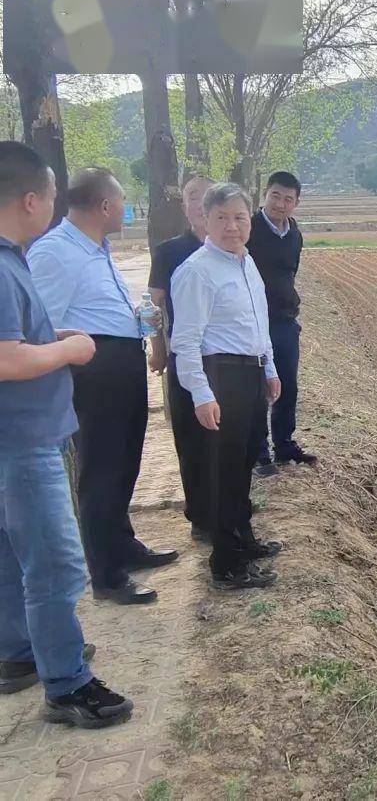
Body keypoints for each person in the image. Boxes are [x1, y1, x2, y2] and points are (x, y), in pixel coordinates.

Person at [0, 141, 133, 727]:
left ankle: (21, 653)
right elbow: (6, 358)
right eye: (52, 194)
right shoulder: (5, 267)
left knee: (13, 554)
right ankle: (67, 683)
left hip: (18, 432)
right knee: (56, 563)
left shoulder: (13, 259)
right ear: (31, 200)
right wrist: (72, 347)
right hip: (24, 437)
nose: (56, 203)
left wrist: (51, 334)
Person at [28, 168, 177, 606]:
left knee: (126, 459)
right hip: (94, 371)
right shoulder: (55, 253)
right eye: (122, 199)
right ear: (106, 206)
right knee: (101, 468)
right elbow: (42, 324)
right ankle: (107, 575)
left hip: (120, 361)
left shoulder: (97, 248)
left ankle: (122, 544)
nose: (126, 207)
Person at [171, 182, 284, 589]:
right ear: (205, 220)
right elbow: (184, 341)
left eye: (239, 217)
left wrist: (269, 368)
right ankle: (226, 564)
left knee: (241, 466)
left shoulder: (245, 263)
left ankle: (243, 539)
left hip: (251, 373)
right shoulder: (197, 272)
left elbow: (258, 323)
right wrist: (201, 394)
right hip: (221, 375)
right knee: (222, 472)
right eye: (221, 218)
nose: (232, 226)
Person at [148, 175, 214, 541]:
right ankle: (201, 517)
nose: (199, 204)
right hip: (187, 356)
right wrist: (158, 347)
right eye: (192, 197)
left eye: (206, 197)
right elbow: (153, 307)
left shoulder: (236, 249)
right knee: (191, 439)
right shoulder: (169, 251)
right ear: (185, 207)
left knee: (230, 438)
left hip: (227, 360)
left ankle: (230, 507)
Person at [247, 171, 315, 475]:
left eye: (288, 199)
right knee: (258, 387)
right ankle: (259, 452)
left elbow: (291, 272)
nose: (281, 204)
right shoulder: (249, 228)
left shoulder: (294, 233)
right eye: (275, 196)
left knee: (287, 384)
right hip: (254, 321)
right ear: (265, 195)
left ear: (296, 203)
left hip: (285, 321)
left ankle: (284, 443)